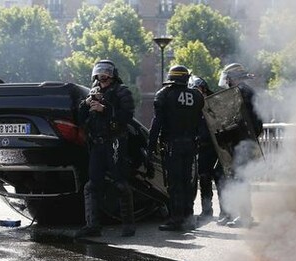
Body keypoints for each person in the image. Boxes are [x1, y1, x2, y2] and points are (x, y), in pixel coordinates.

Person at [75, 60, 136, 238]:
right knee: (92, 185)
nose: (102, 77)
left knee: (120, 183)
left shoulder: (122, 91)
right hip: (97, 144)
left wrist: (105, 109)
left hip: (115, 141)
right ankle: (93, 225)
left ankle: (128, 225)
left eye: (106, 74)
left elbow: (127, 117)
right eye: (99, 74)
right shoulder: (93, 92)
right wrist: (85, 105)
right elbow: (81, 119)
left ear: (113, 75)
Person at [147, 65, 205, 231]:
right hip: (191, 146)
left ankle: (176, 219)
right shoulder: (197, 96)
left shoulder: (164, 94)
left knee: (174, 183)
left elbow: (156, 123)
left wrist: (150, 147)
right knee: (188, 182)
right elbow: (201, 122)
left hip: (172, 146)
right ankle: (188, 217)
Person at [215, 63, 264, 227]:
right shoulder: (247, 91)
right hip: (244, 141)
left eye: (228, 78)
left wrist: (225, 135)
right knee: (239, 178)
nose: (227, 81)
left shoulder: (241, 93)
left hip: (242, 142)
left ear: (234, 78)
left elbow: (238, 122)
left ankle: (244, 217)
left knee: (241, 179)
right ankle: (241, 214)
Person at [188, 76, 219, 222]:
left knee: (220, 178)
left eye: (198, 89)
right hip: (202, 147)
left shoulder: (213, 104)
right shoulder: (193, 107)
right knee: (204, 178)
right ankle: (207, 210)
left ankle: (227, 211)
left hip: (217, 146)